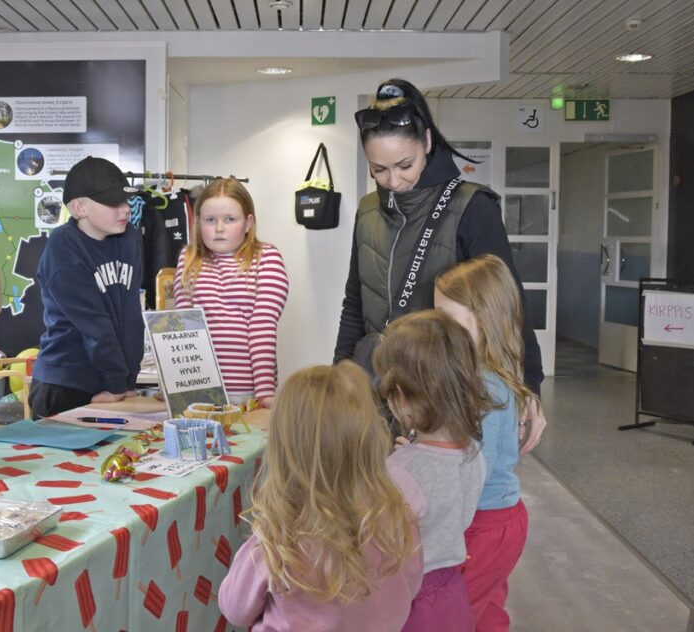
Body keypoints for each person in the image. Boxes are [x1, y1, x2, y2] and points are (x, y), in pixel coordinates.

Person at [334, 78, 543, 399]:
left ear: (427, 142)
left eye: (405, 164)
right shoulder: (368, 210)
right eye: (379, 169)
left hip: (443, 389)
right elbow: (354, 302)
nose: (394, 180)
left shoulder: (472, 206)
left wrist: (529, 387)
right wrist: (340, 374)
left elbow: (507, 304)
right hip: (373, 382)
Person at [218, 361, 423, 631]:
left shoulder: (279, 536)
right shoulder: (400, 517)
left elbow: (235, 609)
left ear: (283, 452)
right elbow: (412, 586)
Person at [435, 255, 540, 631]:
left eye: (448, 321)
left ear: (482, 319)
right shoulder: (490, 377)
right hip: (497, 520)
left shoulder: (485, 387)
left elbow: (474, 469)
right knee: (487, 608)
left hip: (483, 523)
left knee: (454, 613)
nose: (439, 332)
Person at [374, 311, 490, 632]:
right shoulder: (475, 455)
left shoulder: (397, 472)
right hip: (452, 593)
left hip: (408, 602)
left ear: (400, 397)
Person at [27, 156, 143, 419]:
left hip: (113, 383)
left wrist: (127, 382)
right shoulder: (63, 247)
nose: (125, 209)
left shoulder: (130, 238)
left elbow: (130, 315)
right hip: (65, 383)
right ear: (79, 207)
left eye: (125, 201)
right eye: (113, 203)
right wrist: (117, 383)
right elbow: (94, 324)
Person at [173, 178, 289, 409]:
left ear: (248, 223)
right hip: (199, 392)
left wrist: (264, 392)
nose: (219, 228)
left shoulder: (266, 258)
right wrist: (176, 385)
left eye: (229, 219)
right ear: (197, 222)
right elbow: (183, 332)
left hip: (246, 393)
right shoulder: (188, 259)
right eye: (210, 220)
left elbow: (262, 326)